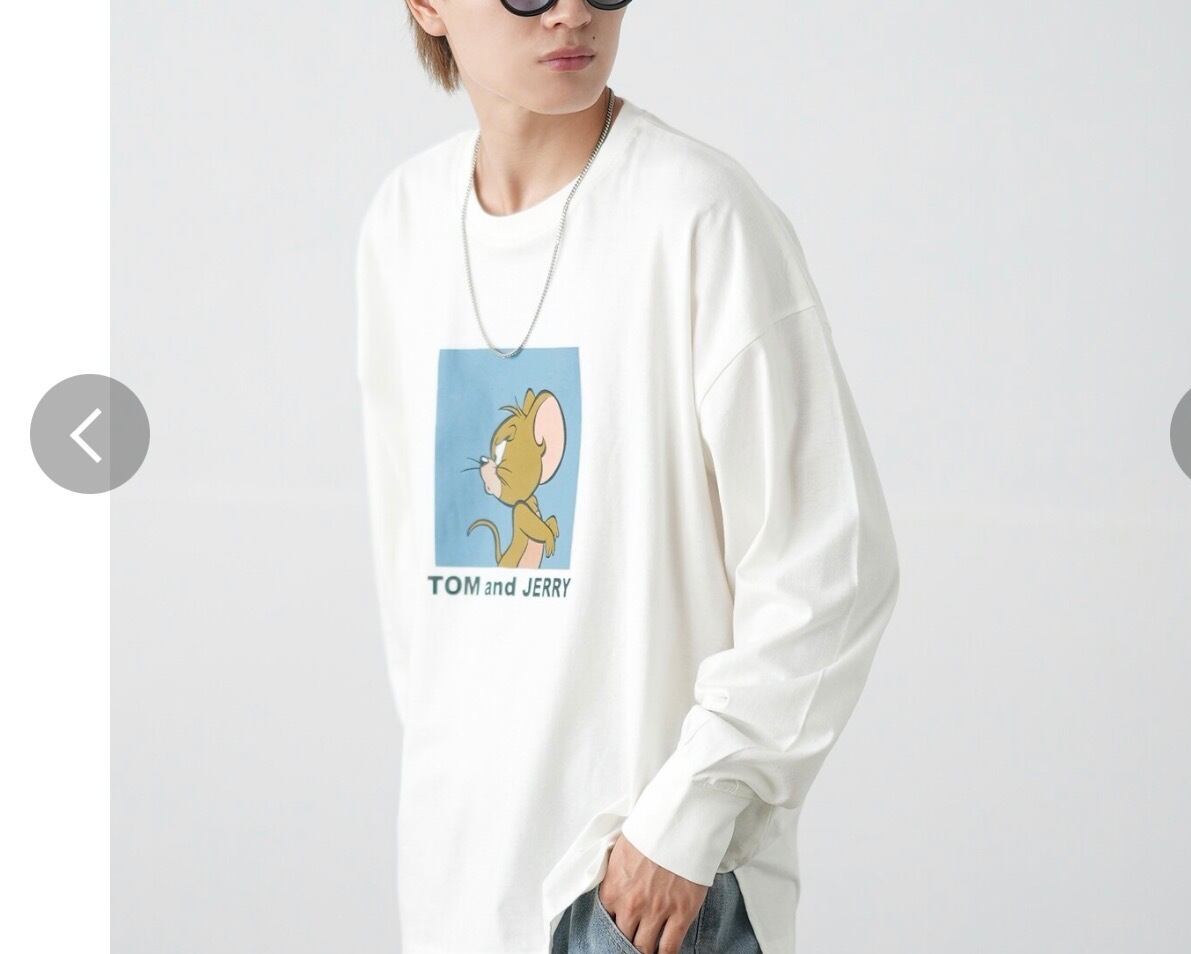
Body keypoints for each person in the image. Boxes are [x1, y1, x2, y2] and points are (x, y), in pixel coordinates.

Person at [354, 2, 900, 952]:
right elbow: (415, 588)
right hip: (458, 891)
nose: (573, 11)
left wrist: (684, 824)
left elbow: (832, 565)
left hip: (639, 899)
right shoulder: (403, 225)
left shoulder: (698, 215)